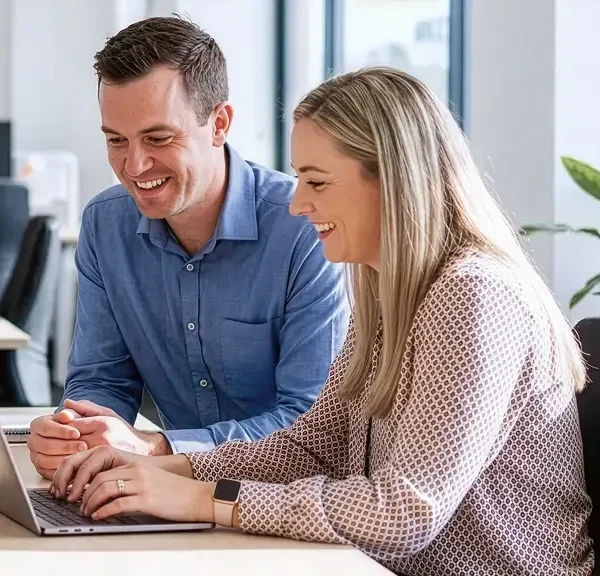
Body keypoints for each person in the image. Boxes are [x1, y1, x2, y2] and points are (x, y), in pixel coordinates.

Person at [51, 66, 593, 575]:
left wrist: (200, 499)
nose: (297, 205)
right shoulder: (388, 288)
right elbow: (312, 446)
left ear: (394, 181)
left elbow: (405, 511)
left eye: (317, 182)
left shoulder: (473, 293)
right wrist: (161, 470)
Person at [27, 16, 349, 480]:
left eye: (159, 138)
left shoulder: (303, 227)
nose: (134, 165)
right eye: (116, 140)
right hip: (172, 497)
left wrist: (157, 446)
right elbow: (102, 380)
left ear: (219, 124)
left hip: (286, 498)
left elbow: (309, 427)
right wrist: (73, 432)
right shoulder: (105, 224)